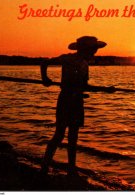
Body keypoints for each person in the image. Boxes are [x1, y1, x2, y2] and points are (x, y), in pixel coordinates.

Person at [40, 36, 107, 176]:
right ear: (85, 49)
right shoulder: (67, 59)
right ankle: (45, 165)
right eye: (93, 49)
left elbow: (84, 86)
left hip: (77, 102)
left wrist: (105, 90)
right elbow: (45, 63)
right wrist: (45, 78)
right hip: (65, 100)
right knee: (59, 134)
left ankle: (71, 168)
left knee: (73, 136)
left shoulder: (85, 64)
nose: (95, 52)